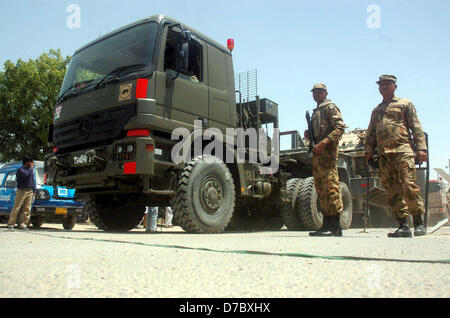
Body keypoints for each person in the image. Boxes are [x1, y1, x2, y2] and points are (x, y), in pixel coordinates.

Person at [365, 75, 428, 238]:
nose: (383, 87)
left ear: (395, 86)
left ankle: (419, 223)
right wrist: (368, 151)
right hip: (384, 156)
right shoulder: (376, 110)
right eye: (381, 85)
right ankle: (403, 226)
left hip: (403, 151)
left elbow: (416, 127)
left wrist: (422, 149)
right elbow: (371, 132)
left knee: (408, 185)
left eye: (387, 84)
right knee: (392, 190)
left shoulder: (405, 104)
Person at [304, 83, 346, 236]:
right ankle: (326, 223)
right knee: (321, 187)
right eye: (314, 92)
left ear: (325, 93)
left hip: (327, 153)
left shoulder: (330, 107)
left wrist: (323, 143)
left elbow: (340, 128)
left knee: (330, 186)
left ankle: (335, 225)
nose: (316, 94)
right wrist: (310, 135)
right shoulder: (317, 110)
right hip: (318, 154)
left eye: (319, 92)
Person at [7, 156, 37, 230]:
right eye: (30, 162)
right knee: (17, 207)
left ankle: (23, 224)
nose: (31, 164)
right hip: (21, 191)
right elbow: (26, 175)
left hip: (29, 190)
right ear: (26, 162)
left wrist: (34, 192)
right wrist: (31, 169)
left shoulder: (30, 170)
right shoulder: (21, 170)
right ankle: (11, 224)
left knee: (27, 208)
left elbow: (32, 181)